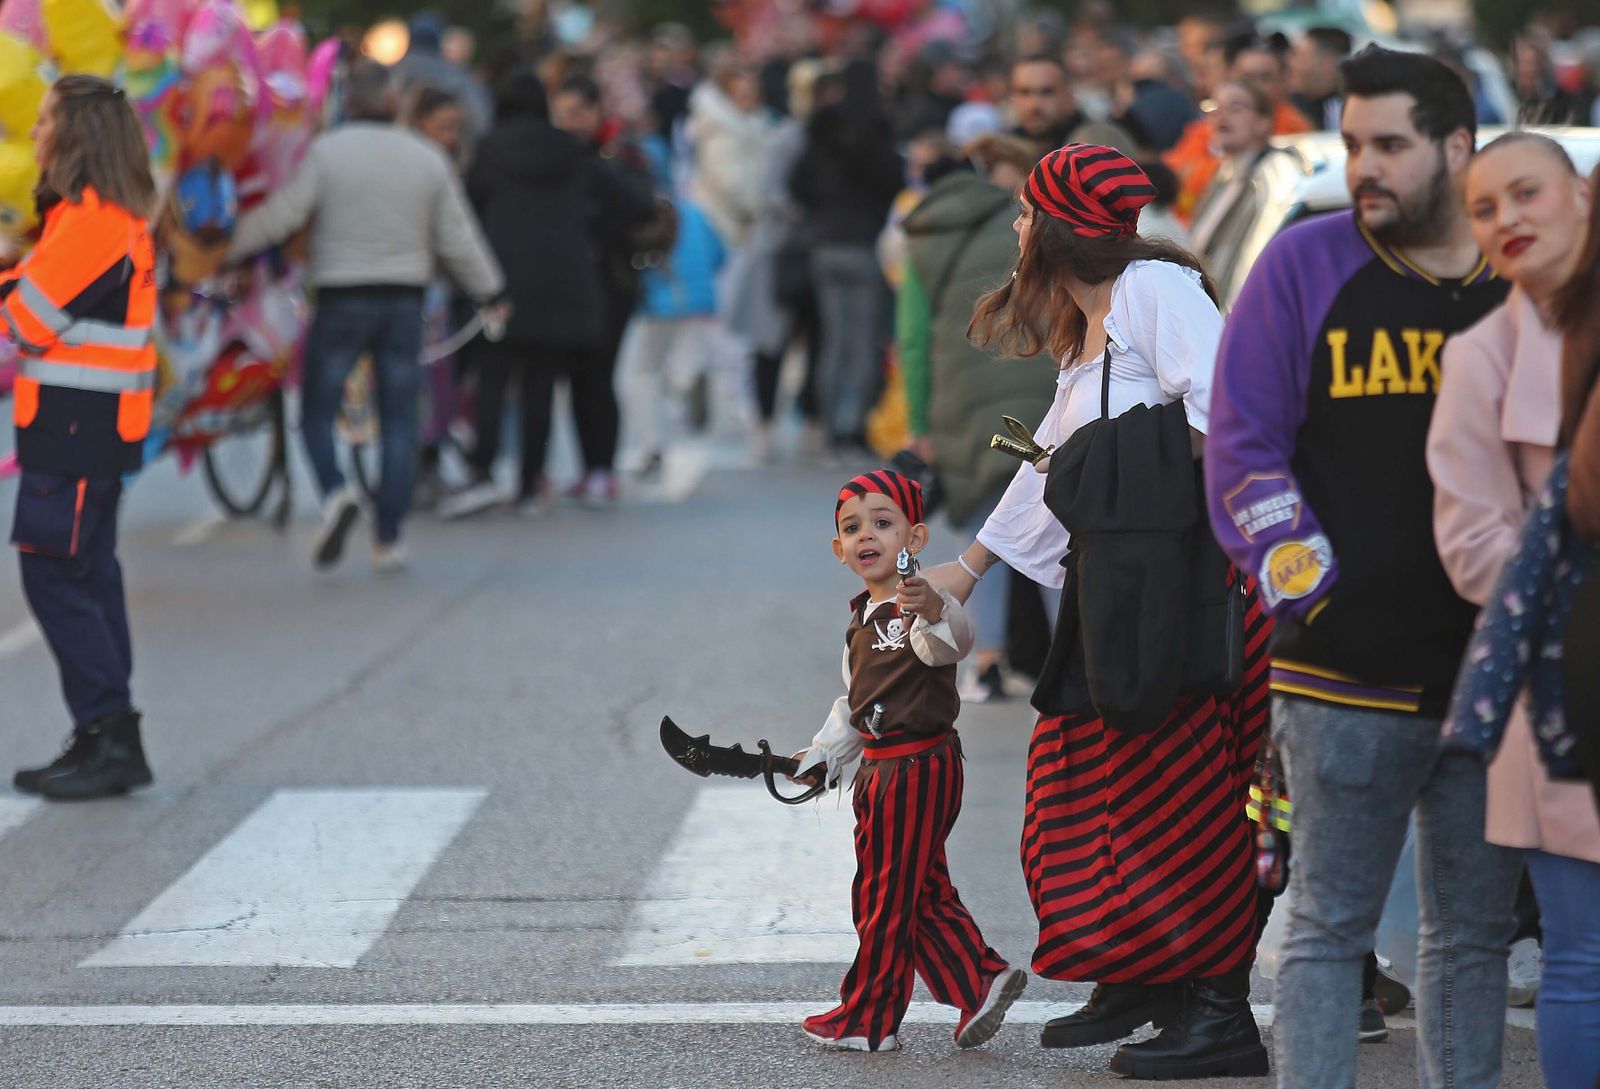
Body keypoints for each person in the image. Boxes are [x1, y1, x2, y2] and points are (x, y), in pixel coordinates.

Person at [1203, 48, 1518, 1089]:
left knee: (1469, 940)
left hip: (1496, 677)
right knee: (1328, 931)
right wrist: (1309, 585)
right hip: (1343, 677)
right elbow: (1242, 444)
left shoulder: (1521, 273)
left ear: (1457, 147)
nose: (1362, 166)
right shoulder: (1302, 264)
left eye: (1388, 144)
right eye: (1350, 144)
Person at [924, 143, 1272, 1080]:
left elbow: (1229, 412)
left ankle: (1217, 1010)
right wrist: (965, 570)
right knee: (1074, 788)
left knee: (1186, 806)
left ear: (1056, 228)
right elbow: (1049, 463)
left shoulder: (1157, 290)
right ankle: (1139, 972)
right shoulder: (1088, 325)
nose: (1015, 227)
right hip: (1115, 590)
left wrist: (1120, 468)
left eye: (1026, 212)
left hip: (1184, 593)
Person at [1430, 134, 1600, 1089]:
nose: (1508, 221)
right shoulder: (1481, 353)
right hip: (1562, 685)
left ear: (1579, 194)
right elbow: (1470, 544)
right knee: (1581, 961)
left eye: (1526, 193)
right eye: (1486, 209)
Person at [229, 61, 503, 572]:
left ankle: (335, 492)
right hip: (404, 299)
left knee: (318, 407)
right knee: (399, 417)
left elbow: (283, 216)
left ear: (347, 102)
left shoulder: (325, 154)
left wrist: (219, 246)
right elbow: (458, 238)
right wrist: (492, 291)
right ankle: (389, 537)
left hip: (341, 297)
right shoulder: (426, 158)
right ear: (393, 102)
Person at [790, 469, 1026, 1053]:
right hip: (888, 769)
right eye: (852, 527)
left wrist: (933, 607)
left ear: (913, 540)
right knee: (917, 888)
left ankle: (869, 1019)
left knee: (883, 896)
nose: (866, 534)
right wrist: (822, 754)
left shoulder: (915, 604)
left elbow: (949, 644)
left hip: (915, 766)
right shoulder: (860, 621)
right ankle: (981, 980)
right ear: (838, 550)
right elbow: (856, 705)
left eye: (882, 522)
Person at [6, 75, 158, 801]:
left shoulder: (93, 222)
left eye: (44, 123)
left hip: (74, 428)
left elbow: (23, 321)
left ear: (75, 137)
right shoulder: (94, 218)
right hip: (88, 428)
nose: (33, 134)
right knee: (87, 575)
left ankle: (109, 733)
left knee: (57, 574)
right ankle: (104, 734)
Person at [443, 71, 651, 519]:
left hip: (498, 280)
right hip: (563, 283)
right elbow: (631, 202)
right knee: (540, 382)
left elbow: (463, 211)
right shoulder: (573, 151)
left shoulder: (488, 151)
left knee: (494, 377)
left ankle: (483, 472)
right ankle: (528, 483)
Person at [899, 136, 1056, 704]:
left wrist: (920, 421)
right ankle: (1068, 660)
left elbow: (914, 342)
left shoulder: (916, 242)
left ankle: (986, 661)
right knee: (1048, 527)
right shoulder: (1015, 226)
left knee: (986, 528)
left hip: (961, 405)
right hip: (1034, 390)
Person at [789, 59, 904, 456]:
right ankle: (851, 423)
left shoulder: (821, 130)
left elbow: (797, 184)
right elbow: (895, 180)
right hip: (862, 244)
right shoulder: (876, 132)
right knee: (863, 340)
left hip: (824, 246)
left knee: (833, 339)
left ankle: (825, 421)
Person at [1165, 34, 1314, 222]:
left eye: (1265, 78)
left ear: (1284, 81)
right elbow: (1173, 175)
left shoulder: (1296, 134)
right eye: (1246, 77)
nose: (1254, 86)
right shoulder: (1207, 127)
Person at [1189, 81, 1280, 274]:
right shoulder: (1221, 175)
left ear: (1263, 123)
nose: (1221, 116)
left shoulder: (1271, 181)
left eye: (1235, 108)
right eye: (1215, 107)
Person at [1008, 55, 1085, 163]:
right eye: (1024, 92)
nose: (1034, 105)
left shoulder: (1095, 149)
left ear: (1069, 96)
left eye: (1047, 92)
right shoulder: (1003, 152)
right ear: (1013, 98)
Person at [1289, 26, 1352, 131]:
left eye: (1300, 58)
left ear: (1327, 64)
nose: (1292, 65)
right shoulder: (1286, 106)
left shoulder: (1353, 107)